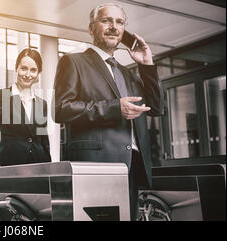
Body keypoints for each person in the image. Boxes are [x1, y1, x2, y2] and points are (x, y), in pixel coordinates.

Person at [53, 3, 164, 220]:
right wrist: (115, 108)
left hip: (130, 167)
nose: (114, 27)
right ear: (91, 28)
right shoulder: (73, 61)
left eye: (119, 22)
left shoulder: (128, 73)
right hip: (96, 166)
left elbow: (156, 107)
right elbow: (61, 109)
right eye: (106, 21)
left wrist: (146, 64)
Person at [0, 48, 52, 166]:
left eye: (33, 70)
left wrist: (48, 168)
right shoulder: (2, 96)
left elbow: (43, 141)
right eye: (24, 68)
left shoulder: (42, 104)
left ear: (38, 74)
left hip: (38, 166)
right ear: (16, 68)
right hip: (11, 165)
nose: (27, 74)